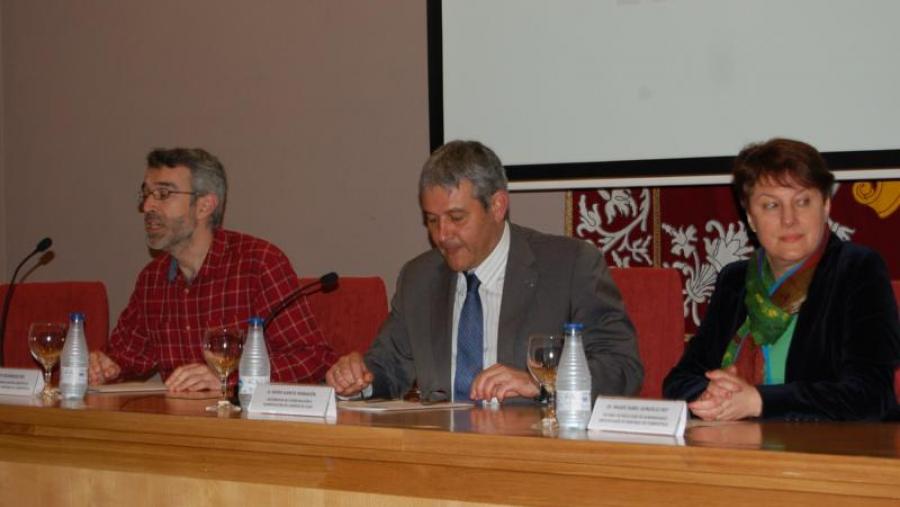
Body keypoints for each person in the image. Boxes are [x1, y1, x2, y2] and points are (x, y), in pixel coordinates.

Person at [326, 140, 642, 402]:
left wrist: (542, 382)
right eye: (432, 220)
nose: (442, 235)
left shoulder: (569, 266)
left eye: (457, 218)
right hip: (441, 449)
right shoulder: (418, 278)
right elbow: (388, 365)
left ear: (497, 206)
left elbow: (622, 367)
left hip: (534, 449)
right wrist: (357, 379)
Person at [663, 138, 900, 421]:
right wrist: (711, 394)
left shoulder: (857, 270)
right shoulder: (735, 280)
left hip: (831, 445)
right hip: (739, 442)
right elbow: (680, 380)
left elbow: (871, 394)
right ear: (751, 218)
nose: (789, 219)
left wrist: (759, 401)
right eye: (771, 205)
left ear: (825, 206)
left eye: (802, 202)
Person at [89, 148, 335, 392]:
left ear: (204, 206)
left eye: (163, 194)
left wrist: (229, 379)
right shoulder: (152, 279)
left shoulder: (259, 263)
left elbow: (312, 359)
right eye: (146, 194)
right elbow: (127, 355)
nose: (147, 206)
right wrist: (106, 366)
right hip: (179, 415)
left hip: (249, 416)